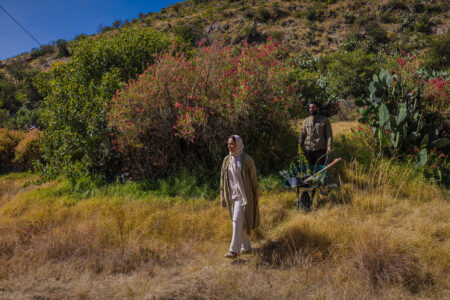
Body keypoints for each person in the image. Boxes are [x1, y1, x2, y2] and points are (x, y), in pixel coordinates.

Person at [220, 135, 260, 259]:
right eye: (228, 144)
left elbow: (253, 178)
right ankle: (246, 247)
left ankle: (234, 250)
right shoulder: (227, 160)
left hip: (245, 195)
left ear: (238, 144)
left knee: (236, 219)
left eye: (232, 144)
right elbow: (222, 179)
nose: (230, 146)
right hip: (232, 195)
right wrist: (222, 196)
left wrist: (256, 194)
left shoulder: (247, 159)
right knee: (238, 221)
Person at [299, 101, 333, 166]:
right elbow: (302, 134)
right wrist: (299, 146)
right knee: (308, 169)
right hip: (308, 150)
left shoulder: (325, 120)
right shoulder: (305, 121)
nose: (311, 109)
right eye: (310, 108)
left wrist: (329, 146)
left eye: (313, 107)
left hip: (320, 150)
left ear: (317, 108)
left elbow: (329, 134)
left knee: (319, 170)